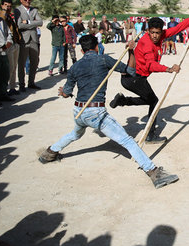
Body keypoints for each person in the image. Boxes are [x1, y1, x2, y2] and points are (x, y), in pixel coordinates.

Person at [38, 35, 179, 189]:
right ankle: (154, 172)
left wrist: (63, 92)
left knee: (75, 134)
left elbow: (66, 93)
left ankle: (50, 152)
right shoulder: (103, 59)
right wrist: (131, 52)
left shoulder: (75, 67)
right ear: (97, 47)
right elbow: (131, 70)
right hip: (95, 112)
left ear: (81, 50)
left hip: (79, 111)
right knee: (127, 141)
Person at [109, 7, 189, 142]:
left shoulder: (162, 35)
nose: (155, 36)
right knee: (154, 102)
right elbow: (151, 64)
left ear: (161, 31)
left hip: (135, 78)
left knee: (150, 100)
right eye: (152, 33)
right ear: (148, 31)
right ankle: (151, 136)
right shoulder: (146, 44)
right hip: (133, 78)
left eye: (157, 33)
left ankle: (123, 100)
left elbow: (179, 27)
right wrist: (169, 69)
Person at [14, 0, 43, 90]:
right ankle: (22, 84)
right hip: (24, 39)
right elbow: (19, 25)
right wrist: (34, 24)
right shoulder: (17, 10)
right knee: (21, 63)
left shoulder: (34, 10)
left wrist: (28, 22)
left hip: (34, 39)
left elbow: (40, 22)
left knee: (34, 62)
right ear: (21, 0)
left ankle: (31, 82)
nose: (28, 1)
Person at [0, 0, 22, 96]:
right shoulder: (1, 15)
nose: (8, 8)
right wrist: (4, 11)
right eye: (6, 5)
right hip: (9, 44)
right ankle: (3, 89)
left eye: (9, 6)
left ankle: (12, 87)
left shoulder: (10, 16)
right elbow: (2, 20)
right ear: (2, 5)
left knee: (14, 67)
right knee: (10, 67)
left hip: (15, 43)